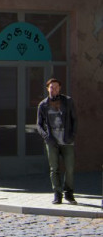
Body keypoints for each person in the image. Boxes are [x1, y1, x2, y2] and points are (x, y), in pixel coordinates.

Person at [37, 76, 77, 205]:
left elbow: (74, 119)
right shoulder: (43, 105)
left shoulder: (68, 101)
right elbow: (39, 124)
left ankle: (69, 192)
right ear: (47, 89)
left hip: (67, 140)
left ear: (59, 88)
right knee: (54, 168)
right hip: (52, 141)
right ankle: (57, 193)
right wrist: (46, 137)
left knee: (70, 168)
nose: (53, 89)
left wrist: (73, 135)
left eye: (56, 87)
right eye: (51, 87)